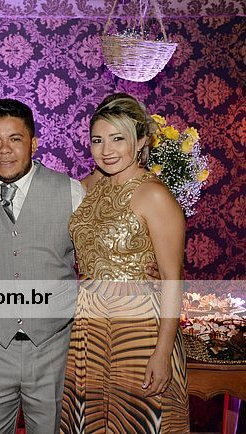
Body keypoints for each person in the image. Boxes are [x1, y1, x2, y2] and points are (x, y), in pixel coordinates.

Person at [0, 98, 84, 433]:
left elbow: (90, 267)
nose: (4, 150)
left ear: (33, 143)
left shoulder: (71, 192)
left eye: (15, 139)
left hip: (54, 349)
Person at [60, 93, 189, 433]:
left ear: (142, 140)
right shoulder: (90, 186)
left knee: (135, 421)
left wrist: (162, 353)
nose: (106, 150)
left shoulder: (154, 195)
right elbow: (41, 189)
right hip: (88, 328)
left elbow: (172, 279)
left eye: (118, 139)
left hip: (139, 332)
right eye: (97, 140)